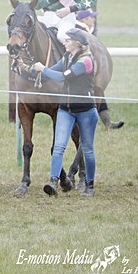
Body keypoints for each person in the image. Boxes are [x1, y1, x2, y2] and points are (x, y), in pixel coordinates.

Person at [30, 28, 99, 197]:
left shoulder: (86, 61)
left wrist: (42, 69)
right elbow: (49, 72)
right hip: (65, 110)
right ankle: (53, 182)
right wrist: (30, 69)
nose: (64, 42)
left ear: (77, 43)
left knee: (88, 150)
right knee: (59, 147)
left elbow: (62, 77)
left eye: (67, 40)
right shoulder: (67, 57)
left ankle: (89, 185)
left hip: (86, 111)